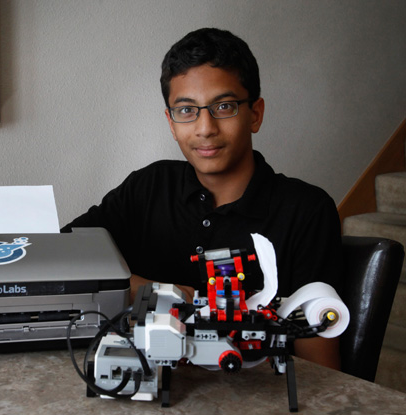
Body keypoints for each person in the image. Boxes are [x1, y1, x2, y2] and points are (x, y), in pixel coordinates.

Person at [61, 28, 342, 369]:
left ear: (255, 113)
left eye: (224, 106)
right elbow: (65, 256)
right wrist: (159, 292)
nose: (205, 127)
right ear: (170, 121)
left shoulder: (307, 210)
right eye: (186, 110)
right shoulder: (149, 186)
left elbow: (321, 365)